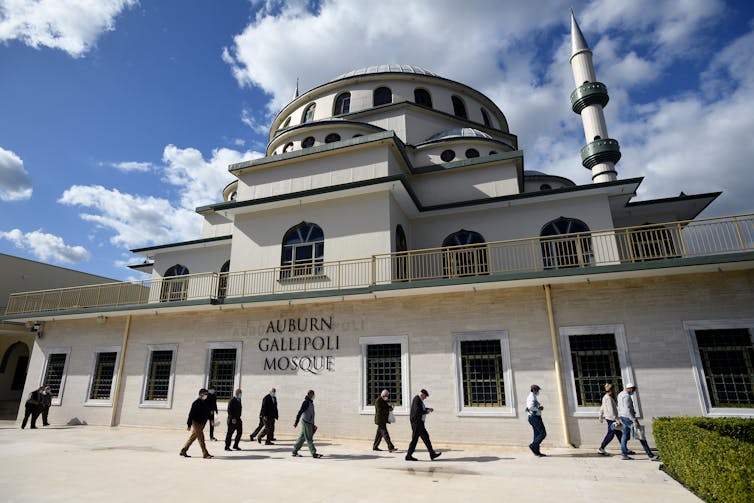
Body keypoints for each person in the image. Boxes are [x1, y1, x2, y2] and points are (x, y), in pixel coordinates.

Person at [617, 383, 659, 461]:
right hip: (629, 418)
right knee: (641, 436)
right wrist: (635, 420)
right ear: (629, 388)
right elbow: (628, 410)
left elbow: (620, 407)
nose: (634, 391)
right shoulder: (627, 397)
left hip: (623, 417)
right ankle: (650, 456)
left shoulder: (620, 394)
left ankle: (624, 455)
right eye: (633, 389)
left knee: (624, 436)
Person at [405, 389, 441, 461]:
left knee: (426, 438)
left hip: (419, 423)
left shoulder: (419, 400)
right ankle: (408, 455)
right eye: (425, 396)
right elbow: (417, 411)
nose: (425, 398)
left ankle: (432, 454)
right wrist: (426, 411)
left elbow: (420, 409)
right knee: (415, 439)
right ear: (422, 395)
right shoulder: (417, 399)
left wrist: (427, 409)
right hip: (417, 423)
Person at [180, 388, 213, 459]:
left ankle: (183, 450)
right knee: (201, 438)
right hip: (196, 422)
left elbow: (209, 412)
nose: (207, 395)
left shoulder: (206, 402)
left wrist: (211, 420)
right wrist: (189, 425)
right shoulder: (196, 403)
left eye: (207, 394)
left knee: (193, 437)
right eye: (206, 394)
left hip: (202, 423)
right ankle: (205, 453)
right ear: (201, 394)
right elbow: (191, 414)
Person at [292, 390, 322, 458]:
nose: (314, 396)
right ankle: (314, 453)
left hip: (309, 423)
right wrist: (296, 422)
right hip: (306, 422)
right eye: (312, 394)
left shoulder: (311, 403)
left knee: (302, 437)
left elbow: (311, 414)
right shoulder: (306, 402)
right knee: (309, 438)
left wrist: (313, 424)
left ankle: (294, 451)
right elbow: (300, 412)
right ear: (309, 394)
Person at [597, 383, 622, 455]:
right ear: (611, 390)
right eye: (613, 389)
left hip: (610, 418)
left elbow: (602, 407)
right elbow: (611, 411)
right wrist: (617, 420)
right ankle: (601, 448)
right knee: (610, 434)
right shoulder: (608, 399)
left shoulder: (605, 397)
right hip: (612, 419)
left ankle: (625, 448)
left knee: (619, 434)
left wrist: (600, 416)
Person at [526, 384, 546, 457]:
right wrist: (538, 409)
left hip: (534, 417)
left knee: (537, 434)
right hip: (534, 418)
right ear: (534, 390)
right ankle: (533, 445)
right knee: (543, 433)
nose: (538, 391)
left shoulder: (533, 396)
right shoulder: (531, 397)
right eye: (537, 390)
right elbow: (530, 407)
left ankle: (537, 451)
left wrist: (538, 407)